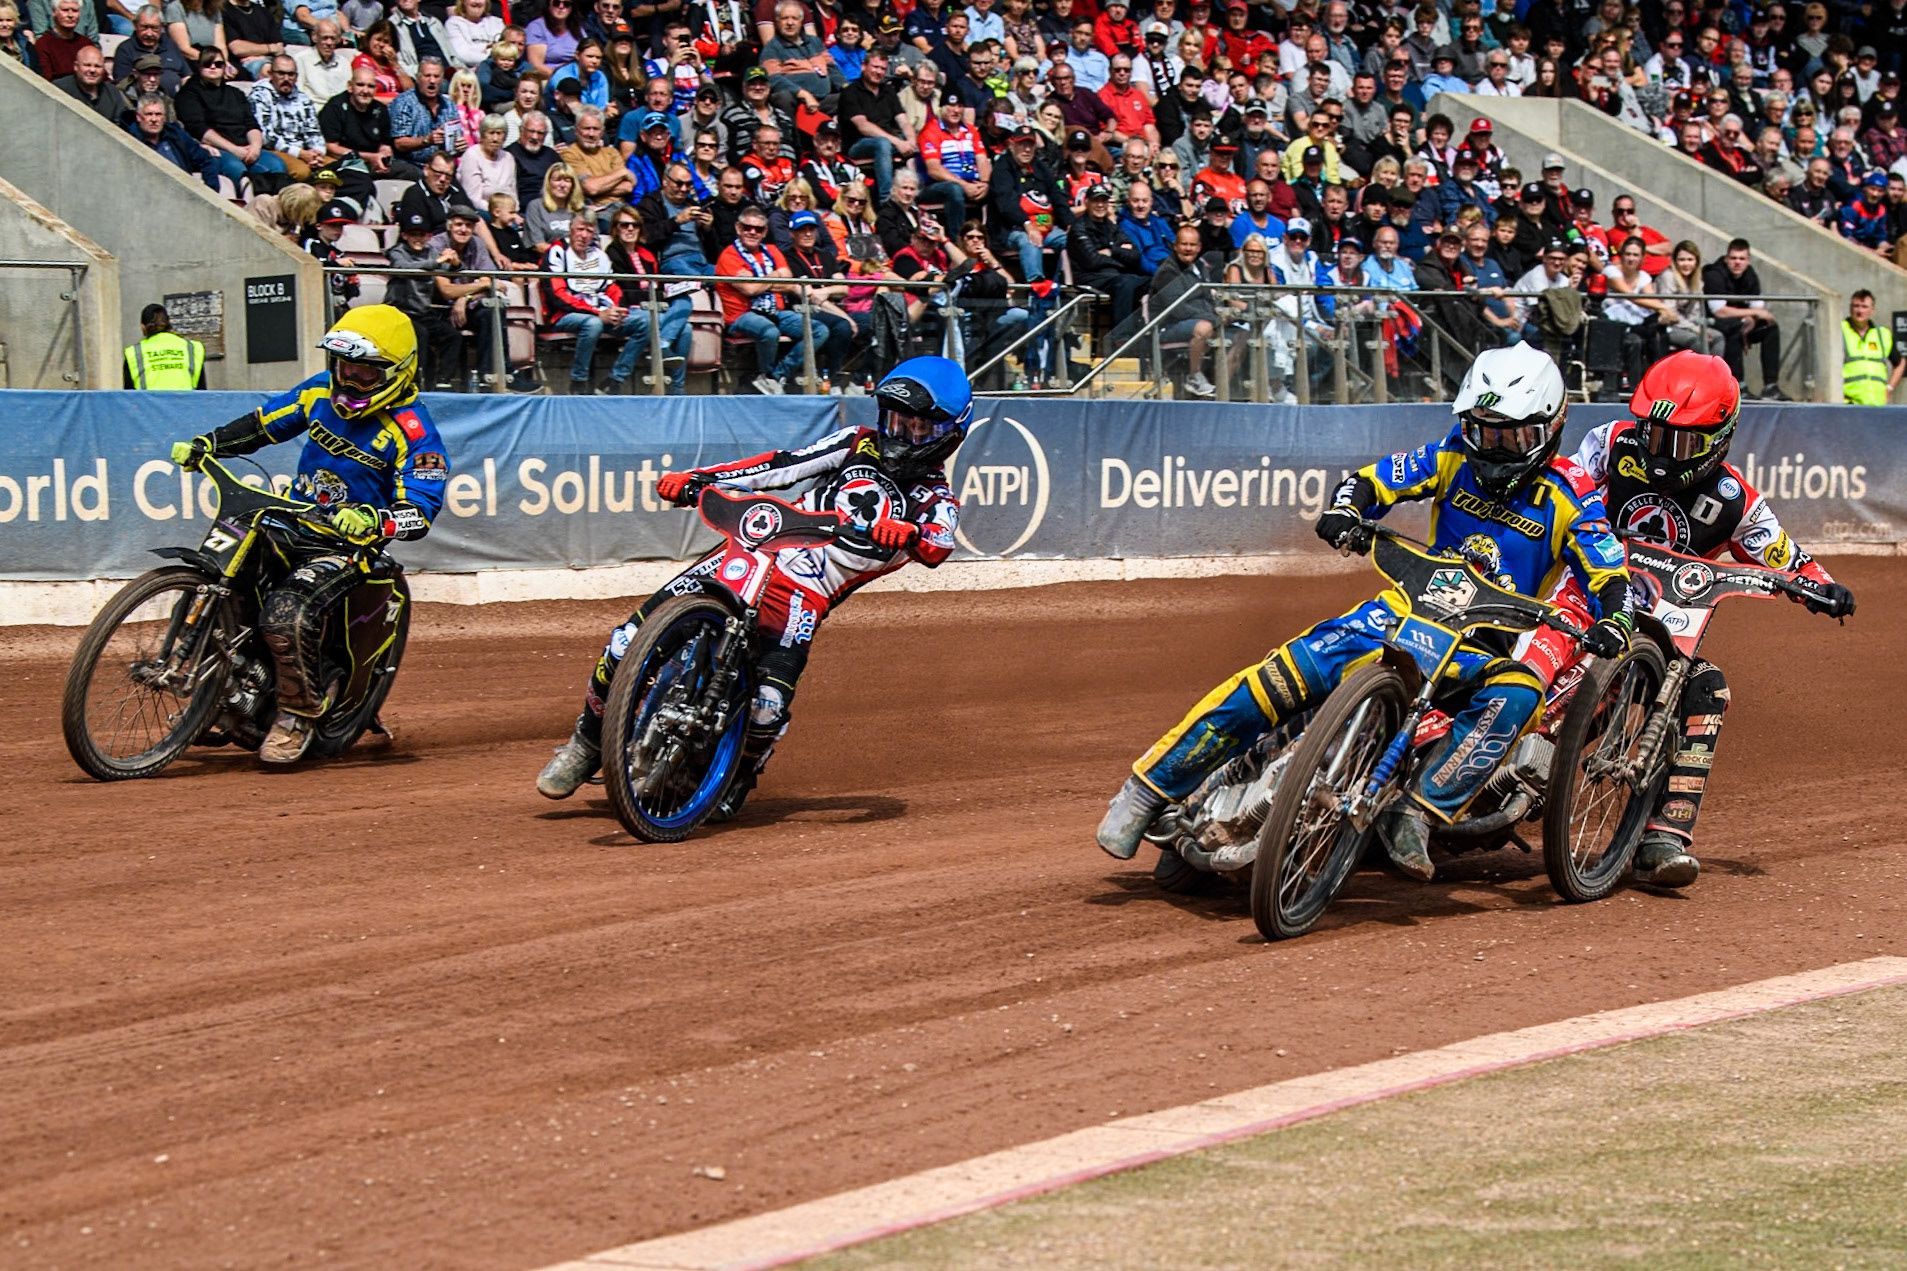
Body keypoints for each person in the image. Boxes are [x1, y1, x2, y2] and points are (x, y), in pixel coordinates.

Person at [1096, 342, 1634, 880]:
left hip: (1478, 647)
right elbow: (1375, 479)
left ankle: (1418, 812)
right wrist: (1346, 508)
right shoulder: (1450, 456)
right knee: (1280, 674)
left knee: (1519, 693)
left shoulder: (1571, 492)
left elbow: (1609, 569)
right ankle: (1148, 790)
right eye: (1481, 430)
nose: (1492, 448)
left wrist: (1616, 617)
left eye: (1508, 435)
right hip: (1400, 615)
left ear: (1550, 427)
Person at [535, 356, 971, 813]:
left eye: (921, 429)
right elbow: (780, 465)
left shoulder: (936, 499)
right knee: (626, 642)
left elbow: (938, 544)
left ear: (949, 436)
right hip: (754, 549)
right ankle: (585, 743)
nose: (904, 434)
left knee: (767, 705)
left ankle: (739, 773)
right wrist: (701, 479)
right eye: (898, 421)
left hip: (805, 593)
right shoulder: (856, 443)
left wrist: (909, 534)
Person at [1566, 352, 1854, 885]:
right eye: (1654, 433)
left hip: (1669, 637)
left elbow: (1785, 556)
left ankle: (1663, 835)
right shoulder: (1610, 442)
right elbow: (1566, 491)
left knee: (1709, 689)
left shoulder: (1734, 500)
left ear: (1719, 437)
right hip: (1584, 605)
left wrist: (1821, 587)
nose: (1660, 451)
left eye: (1679, 441)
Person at [165, 306, 448, 763]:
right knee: (214, 584)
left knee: (284, 613)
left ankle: (298, 714)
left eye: (363, 371)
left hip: (348, 549)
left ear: (396, 372)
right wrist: (210, 443)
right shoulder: (318, 391)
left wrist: (377, 521)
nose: (348, 378)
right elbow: (262, 424)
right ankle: (215, 689)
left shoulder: (415, 432)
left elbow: (422, 508)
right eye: (343, 365)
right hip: (291, 522)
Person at [718, 205, 827, 394]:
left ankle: (775, 376)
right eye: (747, 228)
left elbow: (788, 280)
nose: (752, 232)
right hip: (741, 315)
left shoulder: (772, 250)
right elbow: (749, 289)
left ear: (765, 231)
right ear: (738, 228)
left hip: (775, 310)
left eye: (758, 229)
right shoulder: (729, 255)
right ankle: (765, 373)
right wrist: (775, 277)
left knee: (819, 330)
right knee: (769, 332)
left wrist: (759, 279)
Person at [178, 47, 289, 189]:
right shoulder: (188, 95)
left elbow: (251, 124)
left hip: (245, 147)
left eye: (218, 64)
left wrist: (255, 147)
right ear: (199, 67)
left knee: (276, 165)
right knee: (235, 168)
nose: (213, 67)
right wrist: (234, 150)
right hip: (216, 149)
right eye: (207, 63)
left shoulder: (236, 93)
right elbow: (200, 130)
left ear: (225, 67)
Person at [1702, 238, 1789, 400]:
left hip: (1744, 322)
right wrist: (1748, 316)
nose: (1737, 263)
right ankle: (1739, 386)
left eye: (1742, 259)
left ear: (1748, 261)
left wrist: (1752, 320)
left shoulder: (1750, 274)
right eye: (1733, 258)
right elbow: (1719, 311)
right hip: (1715, 324)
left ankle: (1771, 386)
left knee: (1770, 328)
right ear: (1727, 259)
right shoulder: (1714, 274)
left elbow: (1759, 308)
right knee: (1734, 328)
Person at [250, 53, 327, 181]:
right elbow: (265, 137)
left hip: (305, 152)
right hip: (274, 151)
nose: (286, 78)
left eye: (291, 74)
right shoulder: (259, 97)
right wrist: (300, 153)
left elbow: (314, 131)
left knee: (334, 168)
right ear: (271, 74)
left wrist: (317, 154)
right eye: (281, 73)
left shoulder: (303, 99)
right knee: (302, 172)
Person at [127, 90, 222, 187]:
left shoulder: (175, 134)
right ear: (138, 117)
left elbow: (205, 159)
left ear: (164, 117)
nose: (154, 120)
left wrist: (210, 190)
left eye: (158, 114)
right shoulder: (129, 140)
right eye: (149, 114)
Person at [124, 303, 207, 389]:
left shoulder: (134, 353)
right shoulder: (193, 348)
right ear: (169, 322)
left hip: (148, 403)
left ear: (143, 327)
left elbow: (129, 397)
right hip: (186, 402)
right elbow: (202, 393)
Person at [1842, 288, 1904, 404]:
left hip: (1877, 405)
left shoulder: (1882, 334)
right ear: (1850, 308)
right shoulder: (1840, 330)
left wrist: (1889, 389)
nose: (1860, 311)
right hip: (1849, 405)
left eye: (1864, 307)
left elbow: (1900, 363)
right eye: (1856, 306)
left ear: (1872, 310)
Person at [54, 43, 132, 122]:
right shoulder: (60, 89)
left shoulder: (113, 93)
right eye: (87, 65)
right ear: (76, 66)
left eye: (97, 66)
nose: (92, 70)